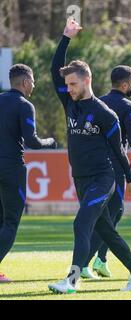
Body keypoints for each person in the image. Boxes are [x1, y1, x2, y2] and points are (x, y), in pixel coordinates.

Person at [48, 18, 131, 294]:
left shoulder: (106, 113)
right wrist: (66, 37)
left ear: (87, 80)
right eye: (67, 84)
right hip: (80, 179)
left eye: (73, 83)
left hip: (102, 179)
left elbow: (119, 150)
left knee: (81, 223)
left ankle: (71, 281)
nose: (68, 88)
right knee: (106, 231)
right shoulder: (70, 103)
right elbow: (54, 69)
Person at [81, 65, 131, 279]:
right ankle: (85, 263)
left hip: (94, 164)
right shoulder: (128, 106)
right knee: (109, 216)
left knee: (115, 212)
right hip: (114, 168)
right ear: (124, 85)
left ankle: (101, 259)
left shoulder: (98, 102)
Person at [0, 64, 57, 283]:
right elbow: (32, 141)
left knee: (0, 221)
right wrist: (50, 142)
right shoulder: (24, 105)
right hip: (11, 168)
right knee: (11, 221)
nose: (33, 85)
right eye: (32, 81)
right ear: (24, 82)